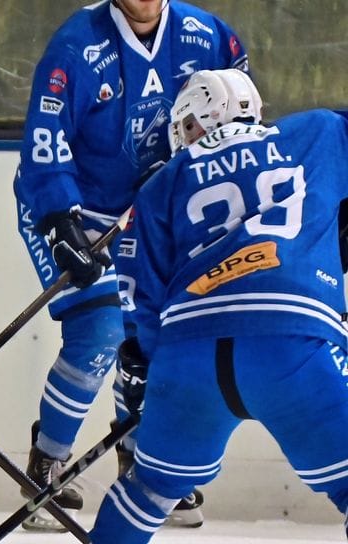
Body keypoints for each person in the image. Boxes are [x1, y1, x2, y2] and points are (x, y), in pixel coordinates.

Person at [11, 0, 250, 531]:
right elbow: (43, 142)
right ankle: (46, 465)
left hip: (155, 215)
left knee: (151, 337)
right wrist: (59, 219)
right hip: (72, 208)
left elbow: (242, 122)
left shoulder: (210, 36)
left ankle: (140, 464)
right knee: (99, 331)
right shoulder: (76, 45)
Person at [90, 68, 348, 543]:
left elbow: (143, 301)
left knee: (149, 490)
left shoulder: (159, 185)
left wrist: (145, 364)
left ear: (196, 121)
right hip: (291, 338)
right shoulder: (317, 131)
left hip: (189, 352)